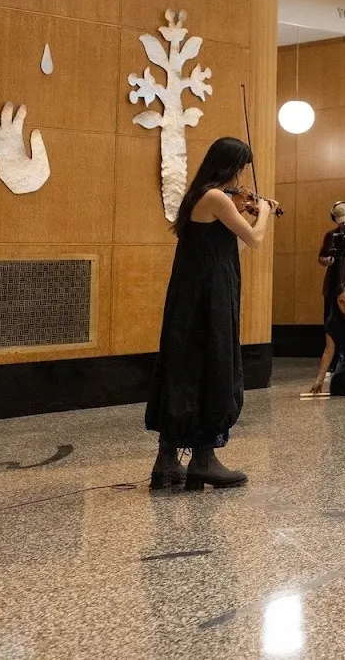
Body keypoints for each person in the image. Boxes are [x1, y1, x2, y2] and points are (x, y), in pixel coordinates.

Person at [146, 137, 272, 491]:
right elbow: (254, 239)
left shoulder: (201, 195)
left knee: (185, 364)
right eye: (241, 167)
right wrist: (262, 212)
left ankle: (167, 461)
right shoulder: (217, 196)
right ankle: (203, 459)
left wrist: (244, 208)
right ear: (231, 166)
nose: (242, 176)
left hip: (193, 292)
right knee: (214, 361)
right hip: (210, 295)